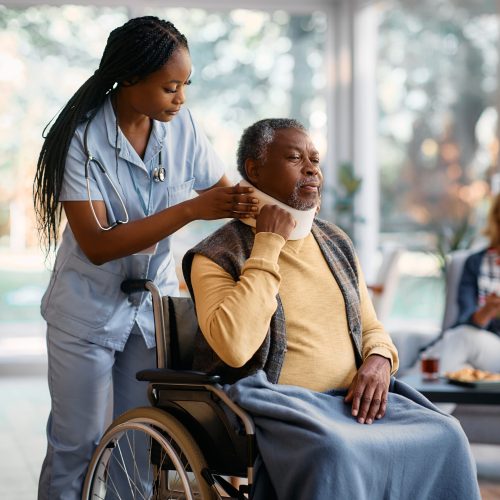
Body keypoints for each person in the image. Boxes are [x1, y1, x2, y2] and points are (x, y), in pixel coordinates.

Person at [182, 119, 480, 499]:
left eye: (315, 159)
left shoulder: (336, 240)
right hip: (278, 402)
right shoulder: (216, 254)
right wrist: (269, 242)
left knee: (447, 434)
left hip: (350, 402)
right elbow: (235, 347)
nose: (311, 169)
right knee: (333, 452)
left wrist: (379, 360)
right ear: (254, 169)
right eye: (294, 158)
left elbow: (370, 325)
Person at [33, 16, 258, 500]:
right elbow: (97, 244)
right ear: (130, 78)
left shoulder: (182, 128)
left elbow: (227, 197)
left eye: (186, 85)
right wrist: (191, 210)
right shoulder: (83, 139)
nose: (181, 99)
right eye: (170, 87)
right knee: (78, 445)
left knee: (139, 443)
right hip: (85, 312)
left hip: (149, 312)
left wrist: (277, 215)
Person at [422, 193, 500, 373]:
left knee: (461, 341)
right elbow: (463, 320)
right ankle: (413, 392)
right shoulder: (475, 263)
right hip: (483, 346)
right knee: (462, 340)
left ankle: (409, 393)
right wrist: (487, 311)